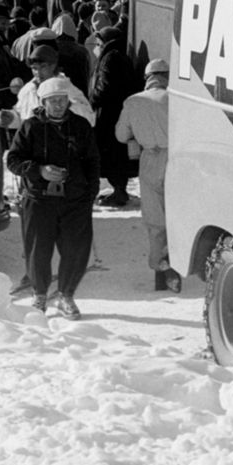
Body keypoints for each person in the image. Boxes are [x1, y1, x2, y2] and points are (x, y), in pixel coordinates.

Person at [6, 75, 100, 317]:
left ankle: (66, 295)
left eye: (62, 100)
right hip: (39, 200)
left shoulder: (81, 127)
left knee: (75, 249)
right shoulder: (30, 127)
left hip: (74, 201)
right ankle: (39, 295)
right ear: (43, 102)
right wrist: (40, 171)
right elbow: (13, 160)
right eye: (52, 101)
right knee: (38, 250)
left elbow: (92, 161)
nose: (58, 105)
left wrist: (89, 193)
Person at [117, 58, 179, 290]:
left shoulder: (133, 101)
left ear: (147, 78)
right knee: (176, 214)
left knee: (155, 219)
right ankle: (174, 266)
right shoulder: (177, 99)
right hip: (177, 158)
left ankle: (159, 268)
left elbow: (121, 136)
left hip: (149, 158)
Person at [90, 21, 141, 207]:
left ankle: (119, 192)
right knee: (117, 154)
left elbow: (105, 88)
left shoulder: (110, 58)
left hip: (110, 116)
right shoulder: (120, 56)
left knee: (111, 155)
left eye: (98, 43)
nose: (96, 48)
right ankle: (119, 190)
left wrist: (92, 101)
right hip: (119, 113)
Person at [12, 41, 96, 125]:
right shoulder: (28, 89)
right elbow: (21, 116)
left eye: (43, 67)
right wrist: (10, 118)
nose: (38, 72)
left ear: (53, 65)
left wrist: (68, 106)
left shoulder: (65, 88)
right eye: (34, 68)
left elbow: (89, 118)